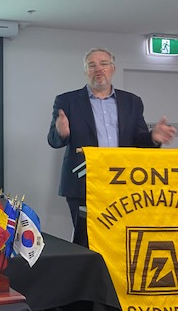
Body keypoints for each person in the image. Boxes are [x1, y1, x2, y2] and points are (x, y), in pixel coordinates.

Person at [48, 47, 176, 245]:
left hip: (123, 182)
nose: (98, 69)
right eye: (92, 65)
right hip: (83, 184)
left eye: (104, 64)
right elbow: (53, 140)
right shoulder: (67, 101)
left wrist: (153, 137)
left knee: (120, 241)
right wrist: (61, 133)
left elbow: (139, 141)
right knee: (86, 241)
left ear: (113, 69)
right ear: (85, 71)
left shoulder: (132, 102)